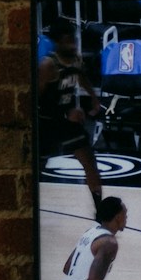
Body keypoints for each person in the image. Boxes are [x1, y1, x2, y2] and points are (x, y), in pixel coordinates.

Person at [37, 17, 105, 214]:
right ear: (58, 43)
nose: (73, 44)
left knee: (90, 162)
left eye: (74, 40)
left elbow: (80, 76)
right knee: (38, 167)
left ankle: (99, 210)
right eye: (68, 41)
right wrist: (67, 113)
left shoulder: (75, 59)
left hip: (67, 122)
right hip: (47, 123)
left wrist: (93, 96)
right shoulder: (48, 65)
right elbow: (38, 101)